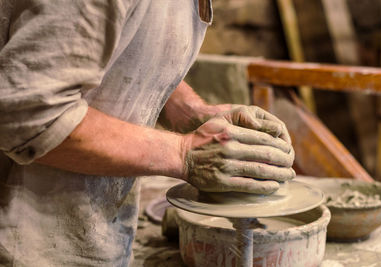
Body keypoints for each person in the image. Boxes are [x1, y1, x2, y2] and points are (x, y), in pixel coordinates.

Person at [0, 0, 295, 266]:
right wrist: (183, 153)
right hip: (21, 239)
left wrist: (190, 113)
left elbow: (120, 44)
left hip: (89, 226)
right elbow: (28, 114)